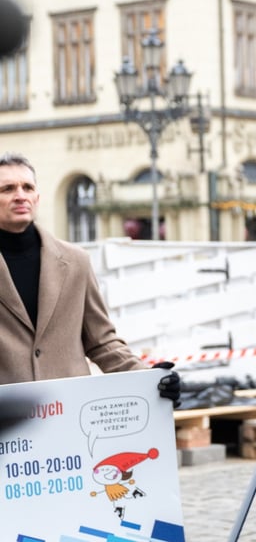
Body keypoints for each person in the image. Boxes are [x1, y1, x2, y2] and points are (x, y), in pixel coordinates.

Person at [0, 153, 179, 401]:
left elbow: (102, 341)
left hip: (70, 409)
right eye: (8, 189)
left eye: (27, 187)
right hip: (8, 414)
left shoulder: (76, 261)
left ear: (37, 197)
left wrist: (149, 379)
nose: (20, 195)